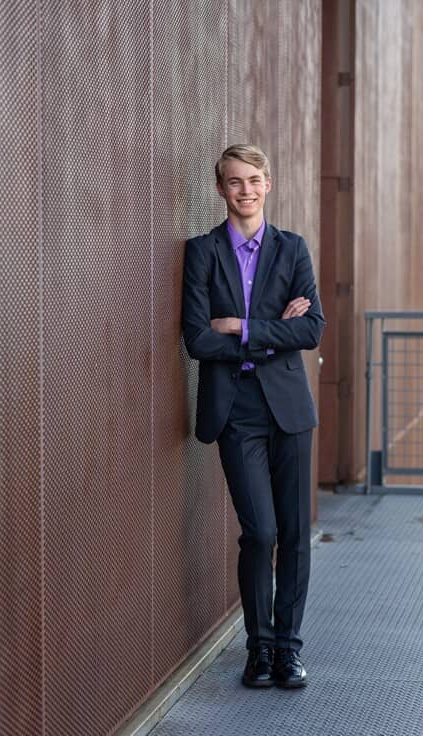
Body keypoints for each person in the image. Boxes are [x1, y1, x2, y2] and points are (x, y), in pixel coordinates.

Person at [181, 144, 325, 689]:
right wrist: (274, 329)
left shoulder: (293, 249)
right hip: (236, 409)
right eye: (235, 181)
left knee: (294, 534)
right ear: (221, 188)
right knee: (260, 533)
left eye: (254, 180)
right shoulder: (202, 252)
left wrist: (241, 328)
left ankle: (288, 649)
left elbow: (311, 329)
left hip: (288, 409)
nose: (245, 190)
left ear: (268, 184)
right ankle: (259, 648)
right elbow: (198, 340)